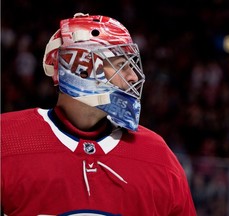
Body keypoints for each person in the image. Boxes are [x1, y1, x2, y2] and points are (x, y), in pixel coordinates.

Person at [1, 13, 197, 216]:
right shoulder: (7, 138)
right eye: (121, 64)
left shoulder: (158, 155)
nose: (133, 76)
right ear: (82, 67)